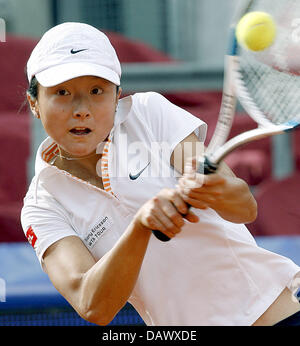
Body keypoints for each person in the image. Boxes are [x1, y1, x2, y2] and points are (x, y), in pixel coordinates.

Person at [21, 22, 300, 326]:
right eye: (62, 92)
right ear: (35, 103)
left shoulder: (148, 113)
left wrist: (210, 188)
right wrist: (141, 227)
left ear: (116, 97)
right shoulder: (41, 206)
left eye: (96, 90)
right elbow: (93, 306)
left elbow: (244, 208)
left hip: (280, 312)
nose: (81, 109)